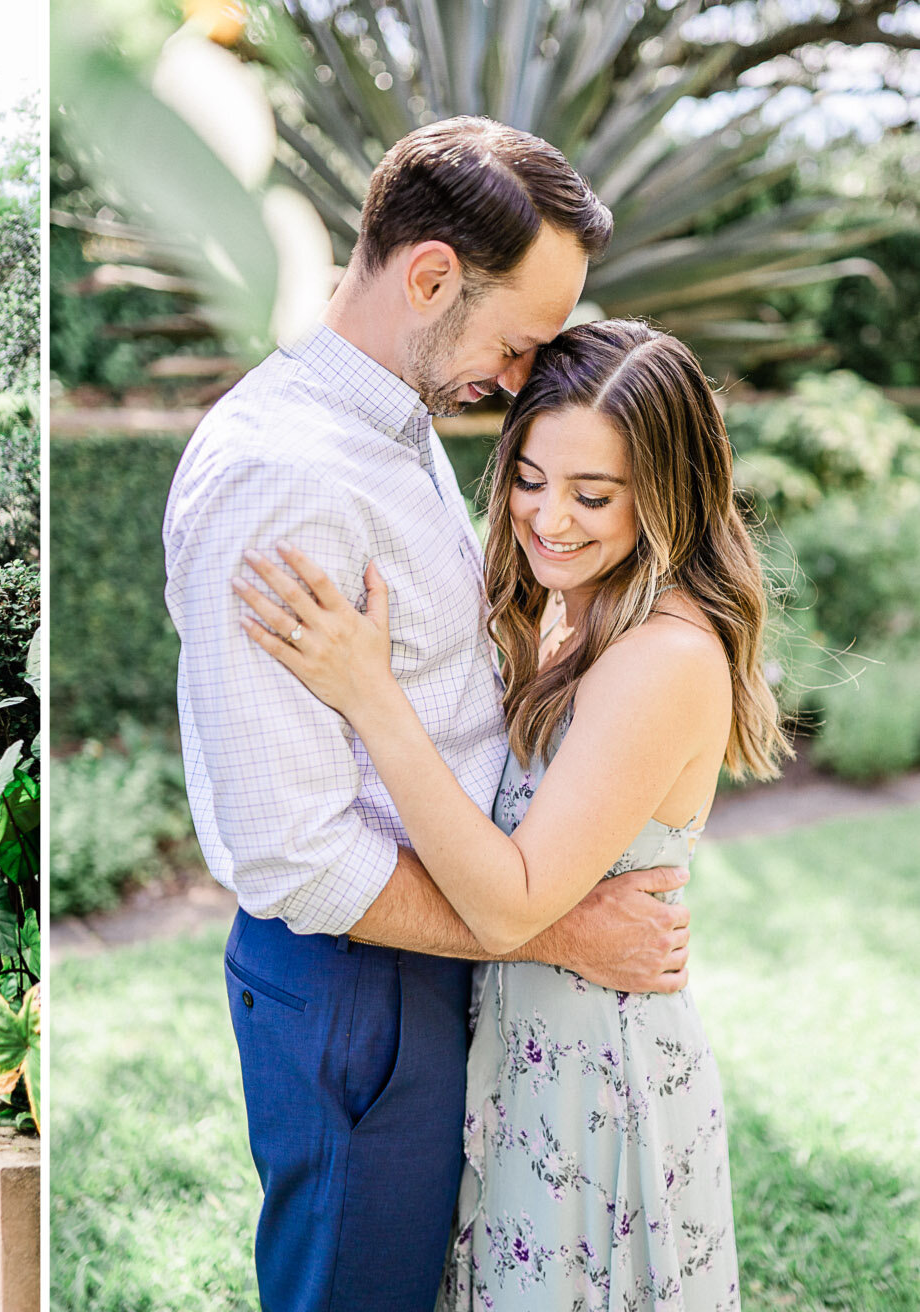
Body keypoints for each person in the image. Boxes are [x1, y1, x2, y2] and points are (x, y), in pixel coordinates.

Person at [162, 117, 692, 1311]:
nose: (519, 379)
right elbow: (297, 855)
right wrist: (553, 930)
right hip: (364, 985)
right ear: (432, 276)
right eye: (519, 342)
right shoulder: (289, 476)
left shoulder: (384, 432)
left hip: (422, 957)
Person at [234, 318, 787, 1306]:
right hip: (522, 1054)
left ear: (668, 492)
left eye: (593, 494)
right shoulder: (566, 609)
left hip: (593, 1081)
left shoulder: (661, 656)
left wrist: (370, 692)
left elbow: (505, 904)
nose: (549, 518)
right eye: (529, 476)